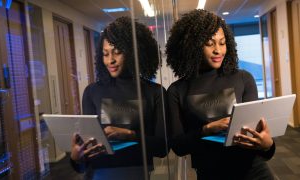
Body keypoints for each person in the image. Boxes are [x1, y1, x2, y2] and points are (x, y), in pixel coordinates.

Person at [166, 9, 275, 180]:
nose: (218, 50)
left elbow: (258, 138)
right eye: (210, 44)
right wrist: (207, 129)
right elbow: (179, 146)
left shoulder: (243, 78)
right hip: (210, 173)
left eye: (222, 43)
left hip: (253, 171)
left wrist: (268, 145)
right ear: (192, 46)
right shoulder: (177, 90)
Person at [70, 16, 168, 180]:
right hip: (98, 174)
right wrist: (75, 157)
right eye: (105, 54)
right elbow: (86, 155)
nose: (110, 60)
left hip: (137, 173)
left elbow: (162, 148)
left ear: (133, 52)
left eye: (117, 52)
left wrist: (130, 135)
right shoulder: (92, 92)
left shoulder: (154, 92)